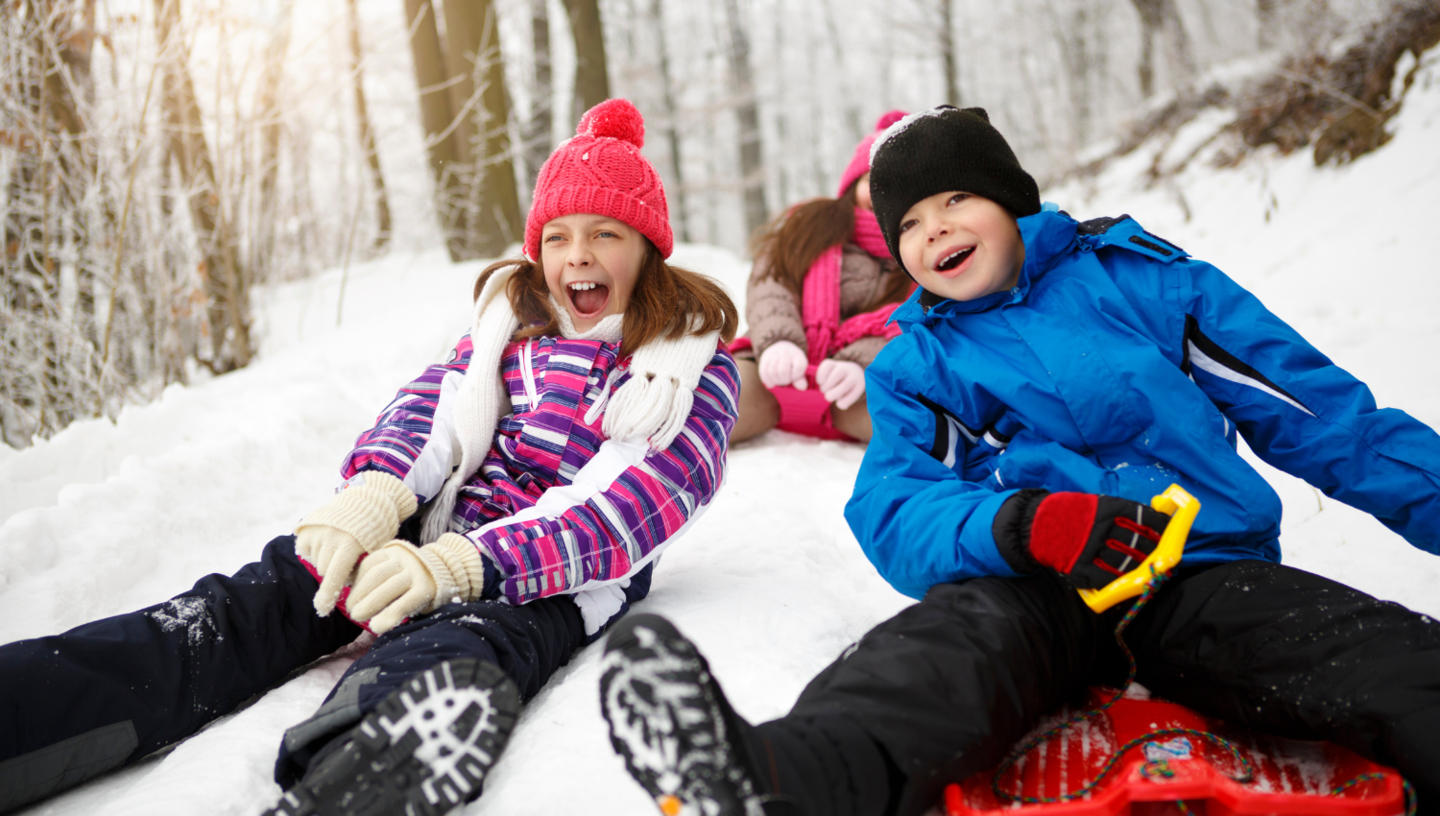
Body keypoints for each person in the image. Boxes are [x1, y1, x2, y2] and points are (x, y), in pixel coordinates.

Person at [595, 105, 1440, 816]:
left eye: (956, 198)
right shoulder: (917, 363)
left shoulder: (1146, 282)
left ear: (1011, 201)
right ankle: (783, 779)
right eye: (911, 224)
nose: (936, 231)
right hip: (1034, 586)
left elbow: (1326, 417)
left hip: (1200, 569)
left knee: (1362, 652)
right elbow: (894, 505)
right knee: (938, 656)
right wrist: (1022, 524)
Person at [0, 98, 740, 816]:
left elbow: (624, 510)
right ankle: (33, 707)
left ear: (648, 247)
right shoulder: (508, 332)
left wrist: (464, 566)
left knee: (456, 647)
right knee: (258, 601)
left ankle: (365, 767)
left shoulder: (685, 369)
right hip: (432, 526)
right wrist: (376, 494)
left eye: (605, 233)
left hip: (546, 581)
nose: (577, 254)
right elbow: (433, 413)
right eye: (558, 236)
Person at [729, 111, 913, 443]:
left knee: (915, 430)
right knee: (714, 403)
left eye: (898, 184)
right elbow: (773, 279)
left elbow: (909, 325)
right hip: (769, 368)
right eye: (874, 180)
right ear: (853, 182)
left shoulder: (917, 255)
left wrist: (862, 364)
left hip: (856, 389)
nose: (883, 192)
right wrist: (777, 340)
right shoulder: (812, 223)